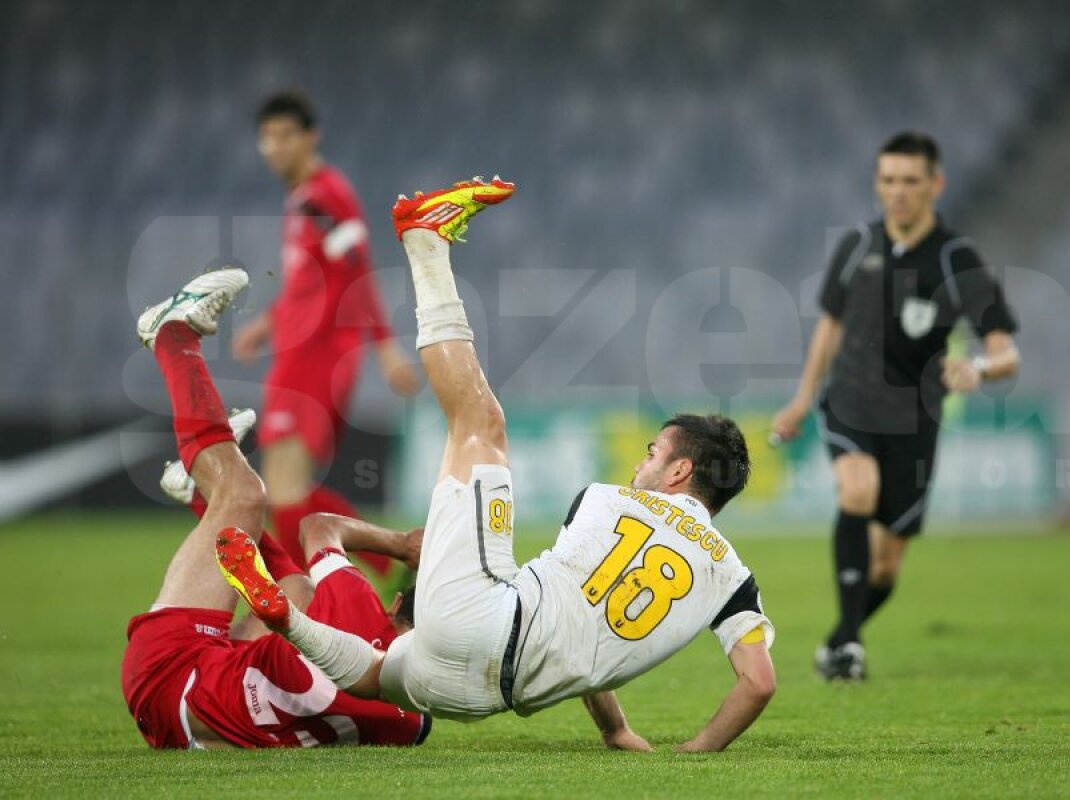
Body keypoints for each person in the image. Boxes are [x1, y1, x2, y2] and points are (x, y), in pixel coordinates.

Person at [219, 177, 777, 752]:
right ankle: (288, 620)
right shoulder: (732, 578)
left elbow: (577, 601)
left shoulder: (605, 501)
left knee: (480, 425)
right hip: (479, 698)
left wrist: (615, 724)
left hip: (485, 625)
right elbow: (758, 683)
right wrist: (688, 750)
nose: (642, 462)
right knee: (374, 677)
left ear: (681, 472)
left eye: (654, 453)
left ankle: (426, 244)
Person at [122, 269, 429, 749]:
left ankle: (172, 334)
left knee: (245, 494)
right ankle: (205, 497)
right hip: (191, 726)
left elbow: (316, 527)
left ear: (394, 605)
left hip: (168, 672)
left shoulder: (359, 611)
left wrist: (401, 545)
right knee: (297, 589)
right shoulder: (413, 722)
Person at [770, 131, 1020, 680]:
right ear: (877, 183)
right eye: (888, 180)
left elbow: (1005, 353)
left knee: (886, 565)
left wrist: (976, 367)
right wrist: (801, 399)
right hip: (851, 401)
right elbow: (830, 327)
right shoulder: (857, 244)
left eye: (910, 181)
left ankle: (839, 638)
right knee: (857, 490)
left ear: (936, 184)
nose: (898, 192)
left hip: (915, 419)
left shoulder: (957, 259)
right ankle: (850, 647)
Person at [232, 90, 420, 577]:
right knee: (285, 492)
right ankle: (393, 559)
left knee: (284, 490)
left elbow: (357, 271)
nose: (274, 147)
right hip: (297, 353)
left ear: (310, 137)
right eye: (266, 137)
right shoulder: (300, 201)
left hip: (318, 356)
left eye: (285, 136)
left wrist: (386, 348)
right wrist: (266, 325)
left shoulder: (325, 195)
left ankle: (314, 602)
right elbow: (309, 284)